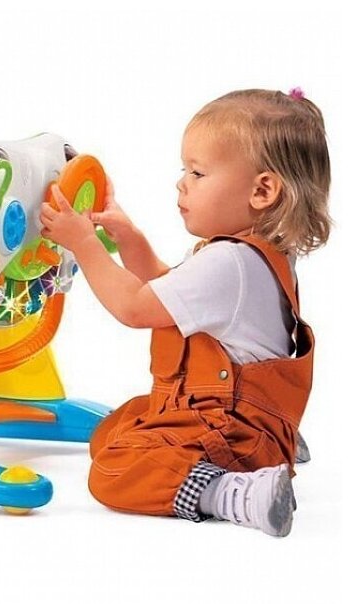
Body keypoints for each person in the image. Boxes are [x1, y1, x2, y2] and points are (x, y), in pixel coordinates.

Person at [39, 88, 332, 536]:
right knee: (114, 431)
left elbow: (136, 308)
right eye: (184, 170)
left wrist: (83, 245)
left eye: (197, 172)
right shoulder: (249, 255)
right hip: (228, 415)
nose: (182, 183)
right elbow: (168, 294)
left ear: (262, 190)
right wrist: (129, 239)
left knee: (112, 471)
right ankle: (271, 441)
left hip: (226, 425)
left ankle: (234, 490)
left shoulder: (229, 262)